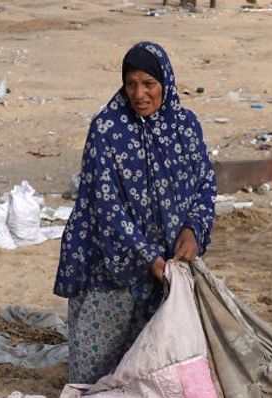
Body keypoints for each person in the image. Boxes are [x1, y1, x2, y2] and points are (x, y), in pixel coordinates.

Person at [53, 41, 216, 384]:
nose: (139, 93)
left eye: (148, 84)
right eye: (131, 84)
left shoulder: (185, 127)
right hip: (110, 259)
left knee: (157, 362)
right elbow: (106, 204)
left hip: (168, 260)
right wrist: (148, 257)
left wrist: (192, 230)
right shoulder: (107, 129)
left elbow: (205, 183)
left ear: (166, 84)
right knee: (96, 368)